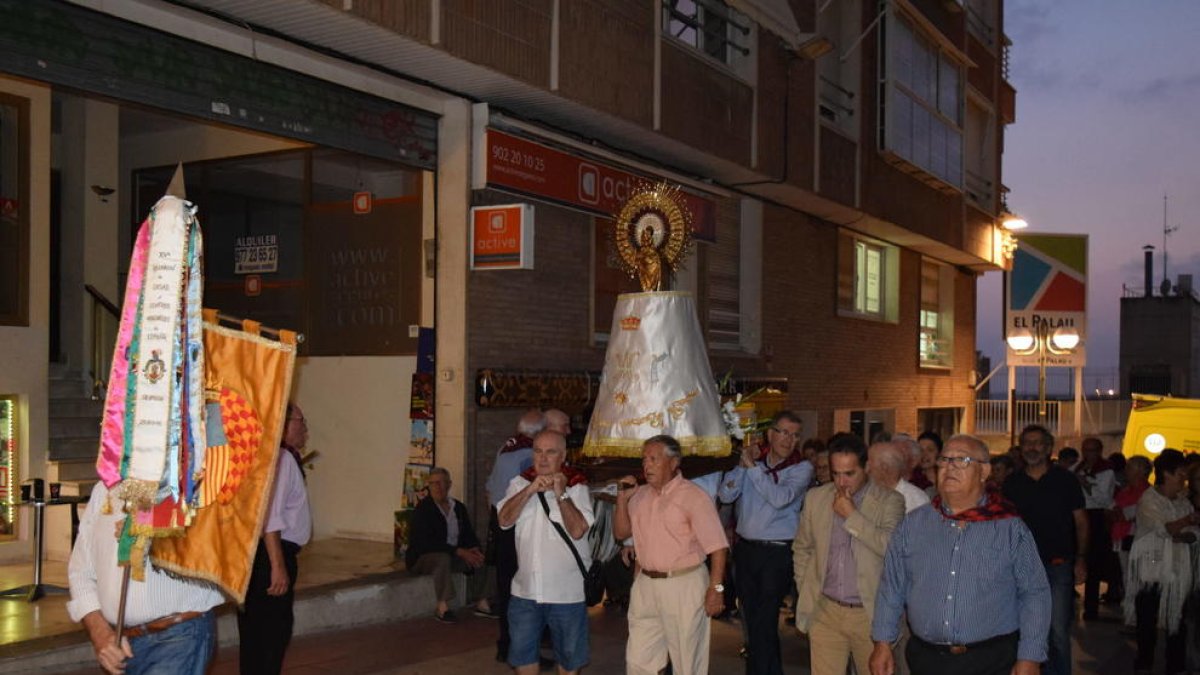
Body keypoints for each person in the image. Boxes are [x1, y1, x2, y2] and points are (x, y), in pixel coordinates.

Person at [869, 434, 1050, 675]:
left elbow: (1034, 593)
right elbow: (892, 587)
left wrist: (1030, 656)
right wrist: (882, 643)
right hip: (927, 659)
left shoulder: (1009, 528)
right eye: (944, 460)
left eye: (961, 460)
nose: (949, 467)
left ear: (984, 471)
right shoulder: (913, 525)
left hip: (990, 660)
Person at [68, 480, 227, 675]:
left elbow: (217, 546)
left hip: (177, 638)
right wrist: (100, 633)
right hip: (121, 643)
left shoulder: (194, 480)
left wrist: (152, 532)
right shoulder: (104, 489)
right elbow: (80, 571)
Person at [614, 434, 729, 675]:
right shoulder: (640, 495)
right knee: (638, 661)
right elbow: (621, 532)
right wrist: (622, 501)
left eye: (654, 459)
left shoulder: (694, 496)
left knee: (688, 662)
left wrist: (716, 591)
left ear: (674, 462)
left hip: (684, 584)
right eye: (645, 459)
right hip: (646, 584)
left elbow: (718, 547)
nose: (647, 465)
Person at [792, 432, 905, 675]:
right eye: (836, 473)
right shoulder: (816, 498)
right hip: (825, 610)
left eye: (849, 473)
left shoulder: (890, 501)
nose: (841, 482)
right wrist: (807, 588)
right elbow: (802, 548)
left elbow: (891, 548)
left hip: (869, 614)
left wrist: (851, 515)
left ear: (866, 467)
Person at [717, 411, 813, 675]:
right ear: (770, 434)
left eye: (795, 435)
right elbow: (726, 493)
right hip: (746, 551)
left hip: (777, 553)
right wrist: (742, 465)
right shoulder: (753, 464)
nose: (789, 439)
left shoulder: (801, 468)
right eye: (783, 432)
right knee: (751, 618)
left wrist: (753, 469)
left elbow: (780, 498)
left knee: (765, 620)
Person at [497, 430, 595, 674]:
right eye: (538, 451)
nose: (542, 458)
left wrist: (560, 494)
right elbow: (504, 520)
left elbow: (578, 530)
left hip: (566, 595)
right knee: (522, 658)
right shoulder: (519, 483)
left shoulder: (577, 487)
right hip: (525, 592)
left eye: (550, 452)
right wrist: (529, 491)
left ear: (562, 456)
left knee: (569, 662)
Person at [1002, 424, 1087, 675]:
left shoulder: (1065, 480)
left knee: (1057, 632)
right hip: (1019, 569)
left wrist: (1081, 559)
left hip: (1057, 566)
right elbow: (1003, 526)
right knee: (1020, 630)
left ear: (1049, 447)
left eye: (1038, 443)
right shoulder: (1012, 482)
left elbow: (1081, 521)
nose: (1032, 448)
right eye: (1027, 443)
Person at [238, 402, 314, 675]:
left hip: (262, 554)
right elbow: (268, 516)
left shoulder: (269, 456)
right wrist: (277, 565)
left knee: (259, 631)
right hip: (271, 553)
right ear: (283, 425)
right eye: (300, 421)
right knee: (271, 633)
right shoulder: (280, 459)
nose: (305, 428)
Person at [1124, 448, 1199, 675]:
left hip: (1177, 570)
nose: (1184, 478)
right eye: (1180, 473)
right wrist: (1186, 523)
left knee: (1177, 620)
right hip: (1151, 571)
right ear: (1166, 473)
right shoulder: (1149, 499)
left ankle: (1175, 666)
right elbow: (1164, 529)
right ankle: (1144, 663)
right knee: (1147, 622)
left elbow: (1191, 533)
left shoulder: (1183, 500)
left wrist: (1184, 529)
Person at [486, 409, 546, 660]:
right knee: (521, 590)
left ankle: (506, 645)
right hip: (516, 526)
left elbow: (489, 488)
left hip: (499, 521)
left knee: (506, 585)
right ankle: (521, 649)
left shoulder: (506, 447)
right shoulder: (527, 455)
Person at [406, 467, 490, 623]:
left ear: (449, 484)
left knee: (481, 557)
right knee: (442, 558)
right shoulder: (423, 510)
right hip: (425, 558)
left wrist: (473, 548)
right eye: (435, 483)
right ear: (428, 485)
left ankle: (482, 601)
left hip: (453, 555)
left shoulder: (458, 508)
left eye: (443, 483)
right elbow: (426, 543)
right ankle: (442, 606)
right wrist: (458, 551)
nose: (439, 487)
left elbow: (468, 534)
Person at [1076, 436, 1115, 620]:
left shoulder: (1106, 471)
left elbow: (1105, 499)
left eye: (1092, 450)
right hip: (1077, 514)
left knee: (1093, 563)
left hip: (1096, 515)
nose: (1088, 454)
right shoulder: (1077, 467)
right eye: (1085, 450)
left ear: (1099, 452)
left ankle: (1091, 608)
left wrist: (1086, 484)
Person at [1112, 455, 1153, 613]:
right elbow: (1112, 513)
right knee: (1127, 576)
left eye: (1130, 467)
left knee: (1134, 577)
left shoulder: (1146, 494)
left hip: (1135, 538)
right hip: (1122, 537)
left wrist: (1118, 514)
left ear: (1141, 471)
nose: (1126, 471)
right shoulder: (1125, 491)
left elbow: (1121, 514)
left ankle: (1133, 615)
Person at [869, 440, 929, 514]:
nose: (867, 469)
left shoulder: (915, 500)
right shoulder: (870, 493)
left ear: (884, 468)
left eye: (870, 461)